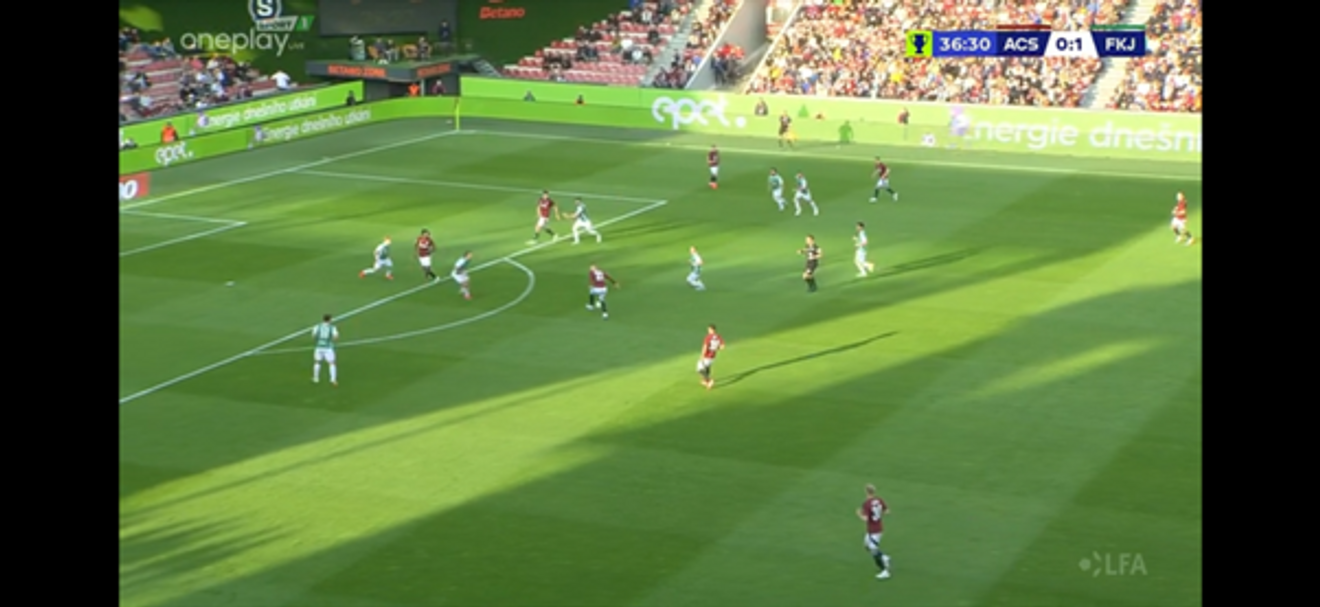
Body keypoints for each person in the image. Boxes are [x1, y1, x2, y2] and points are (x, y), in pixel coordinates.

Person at [856, 484, 892, 579]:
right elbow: (887, 511)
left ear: (866, 492)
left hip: (874, 530)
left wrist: (859, 514)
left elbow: (865, 519)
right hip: (877, 528)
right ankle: (883, 557)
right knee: (867, 546)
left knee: (874, 550)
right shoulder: (879, 500)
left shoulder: (867, 504)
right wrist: (878, 514)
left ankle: (885, 570)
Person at [311, 313, 339, 386]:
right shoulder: (332, 327)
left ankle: (316, 378)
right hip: (328, 348)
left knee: (317, 362)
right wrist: (331, 341)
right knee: (332, 363)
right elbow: (336, 337)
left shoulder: (317, 326)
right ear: (329, 320)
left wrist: (319, 340)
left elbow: (313, 336)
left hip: (319, 347)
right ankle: (333, 380)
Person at [696, 324, 724, 389]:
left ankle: (710, 380)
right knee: (707, 368)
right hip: (713, 356)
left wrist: (702, 355)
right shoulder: (718, 337)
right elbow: (722, 347)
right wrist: (715, 348)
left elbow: (705, 346)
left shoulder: (708, 337)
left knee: (699, 369)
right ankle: (705, 381)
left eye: (709, 329)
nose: (708, 331)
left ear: (711, 330)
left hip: (706, 356)